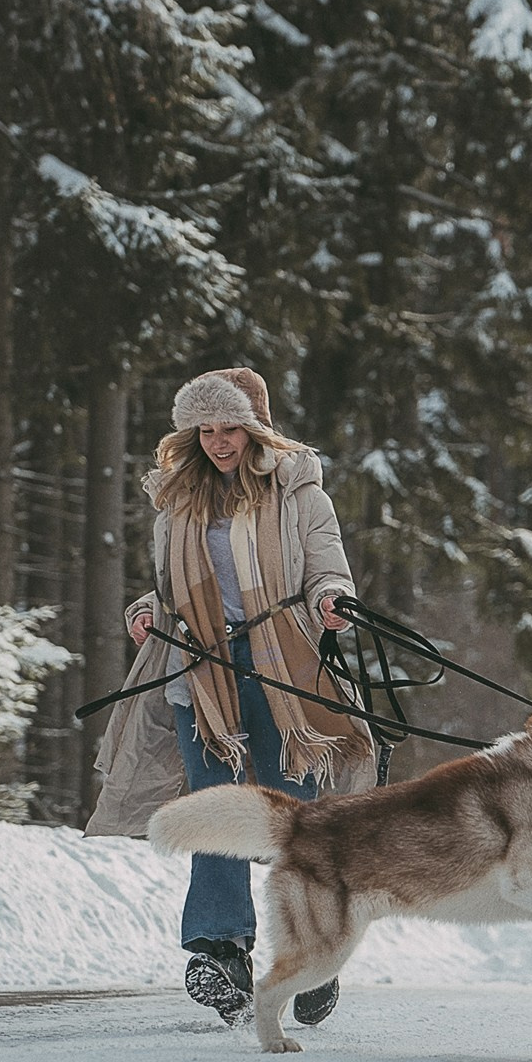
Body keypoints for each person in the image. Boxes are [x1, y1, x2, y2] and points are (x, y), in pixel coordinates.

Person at [85, 367, 376, 1026]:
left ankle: (310, 949)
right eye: (206, 429)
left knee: (290, 813)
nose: (217, 442)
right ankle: (220, 949)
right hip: (202, 666)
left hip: (283, 665)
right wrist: (143, 612)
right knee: (214, 808)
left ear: (256, 427)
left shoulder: (300, 491)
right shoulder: (179, 499)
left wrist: (331, 598)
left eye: (229, 428)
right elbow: (164, 587)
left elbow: (327, 565)